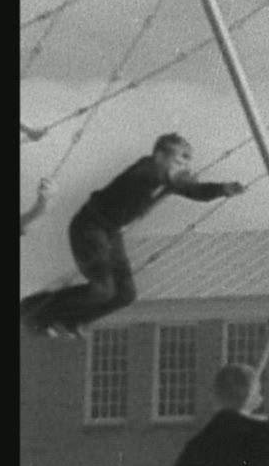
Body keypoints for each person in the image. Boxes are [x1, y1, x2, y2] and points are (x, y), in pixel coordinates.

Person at [21, 133, 245, 338]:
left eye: (186, 163)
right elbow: (153, 179)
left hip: (111, 233)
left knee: (126, 294)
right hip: (89, 227)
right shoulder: (145, 170)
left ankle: (73, 320)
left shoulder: (169, 178)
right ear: (159, 157)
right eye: (178, 161)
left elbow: (196, 191)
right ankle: (33, 311)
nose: (183, 167)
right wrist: (180, 181)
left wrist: (222, 189)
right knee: (103, 289)